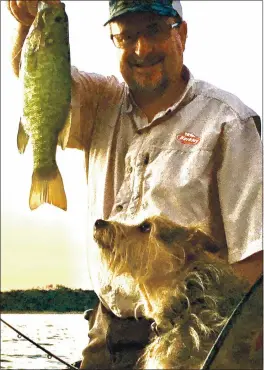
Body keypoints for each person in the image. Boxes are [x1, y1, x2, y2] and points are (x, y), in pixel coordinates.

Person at [8, 0, 262, 368]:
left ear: (182, 34)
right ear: (115, 42)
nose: (142, 49)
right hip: (105, 331)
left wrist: (219, 348)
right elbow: (35, 78)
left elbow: (254, 257)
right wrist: (26, 25)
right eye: (127, 36)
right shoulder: (99, 101)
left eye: (154, 30)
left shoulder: (228, 122)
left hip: (191, 336)